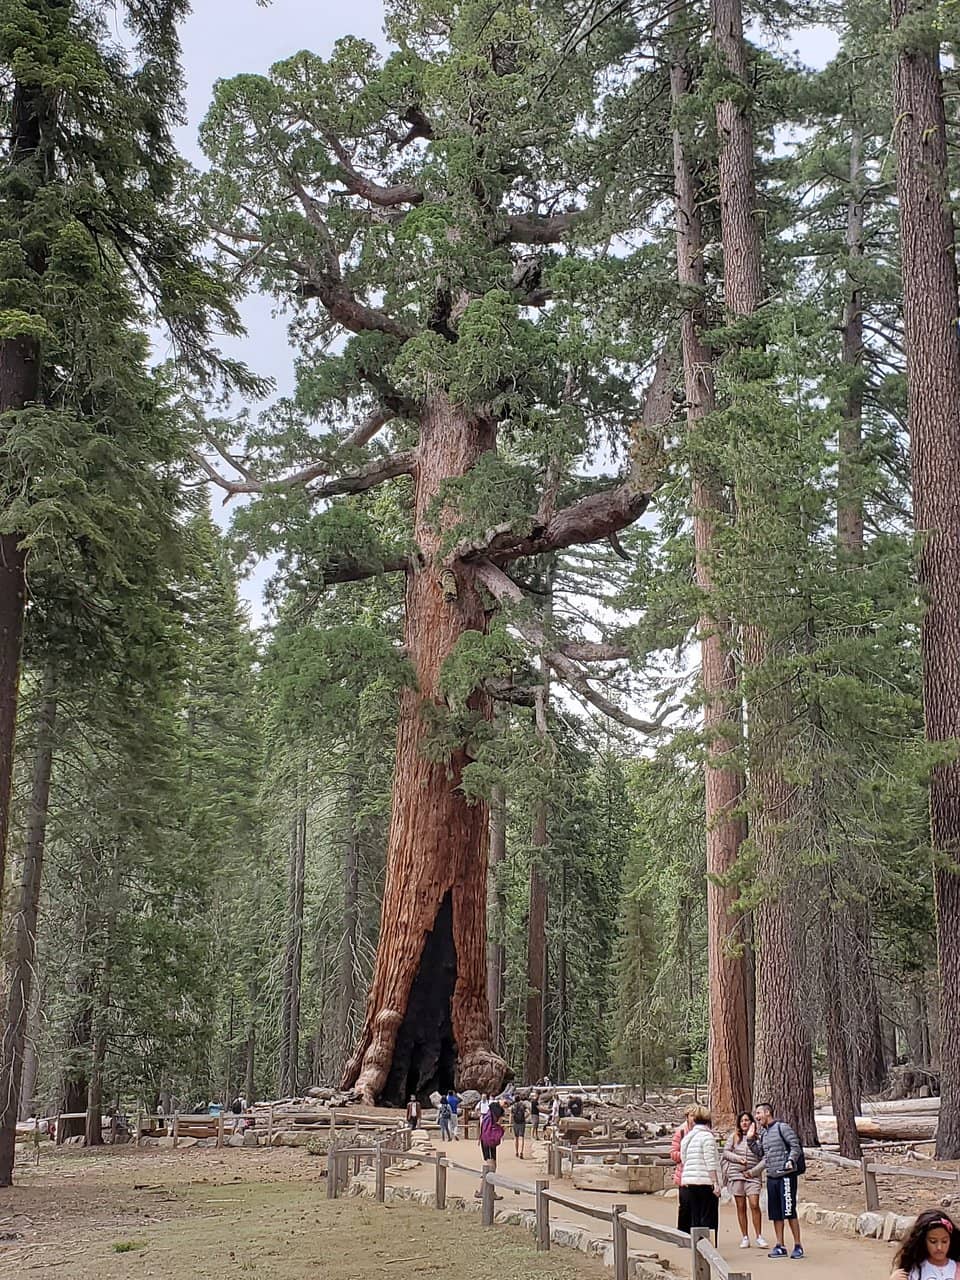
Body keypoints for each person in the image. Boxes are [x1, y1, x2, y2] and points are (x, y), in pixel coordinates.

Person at [749, 1102, 804, 1259]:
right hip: (771, 1177)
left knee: (789, 1210)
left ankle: (798, 1245)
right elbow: (761, 1153)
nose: (757, 1117)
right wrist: (750, 1140)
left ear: (767, 1112)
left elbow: (795, 1146)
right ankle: (780, 1245)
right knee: (775, 1213)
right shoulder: (764, 1134)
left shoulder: (782, 1127)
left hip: (786, 1176)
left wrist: (791, 1160)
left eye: (759, 1113)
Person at [721, 1111, 767, 1250]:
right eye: (742, 1121)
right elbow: (726, 1152)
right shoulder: (734, 1137)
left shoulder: (759, 1138)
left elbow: (765, 1158)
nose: (745, 1123)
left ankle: (759, 1236)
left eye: (747, 1120)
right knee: (740, 1206)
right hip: (736, 1174)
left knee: (754, 1204)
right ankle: (745, 1236)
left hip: (752, 1175)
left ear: (752, 1122)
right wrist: (738, 1159)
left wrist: (753, 1172)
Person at [679, 1107, 722, 1239]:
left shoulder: (688, 1137)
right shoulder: (707, 1137)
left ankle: (696, 1243)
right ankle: (705, 1245)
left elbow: (683, 1158)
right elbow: (710, 1161)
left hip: (690, 1180)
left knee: (695, 1215)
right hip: (705, 1181)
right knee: (707, 1216)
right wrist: (715, 1182)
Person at [890, 1209, 960, 1279]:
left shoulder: (957, 1268)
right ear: (923, 1241)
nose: (939, 1247)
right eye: (933, 1241)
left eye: (944, 1241)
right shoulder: (914, 1271)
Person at [475, 1100, 505, 1201]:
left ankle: (482, 1191)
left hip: (487, 1143)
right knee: (491, 1167)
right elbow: (489, 1133)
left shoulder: (488, 1116)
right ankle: (489, 1192)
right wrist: (499, 1127)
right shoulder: (490, 1118)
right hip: (488, 1143)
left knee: (492, 1167)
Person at [671, 1104, 698, 1205]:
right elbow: (673, 1154)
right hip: (684, 1175)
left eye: (696, 1115)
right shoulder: (681, 1132)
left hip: (698, 1176)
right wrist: (686, 1155)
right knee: (685, 1208)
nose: (694, 1118)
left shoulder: (703, 1132)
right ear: (687, 1117)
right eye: (692, 1115)